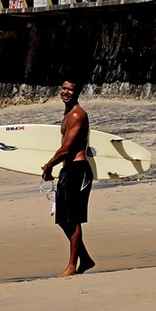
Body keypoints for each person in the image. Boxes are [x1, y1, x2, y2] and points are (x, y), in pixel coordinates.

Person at [42, 80, 96, 277]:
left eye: (70, 89)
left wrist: (49, 165)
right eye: (64, 88)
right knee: (63, 220)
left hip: (78, 170)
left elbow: (67, 148)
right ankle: (86, 259)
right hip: (68, 170)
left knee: (72, 219)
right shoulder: (67, 114)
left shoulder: (76, 114)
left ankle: (72, 266)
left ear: (77, 92)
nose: (66, 92)